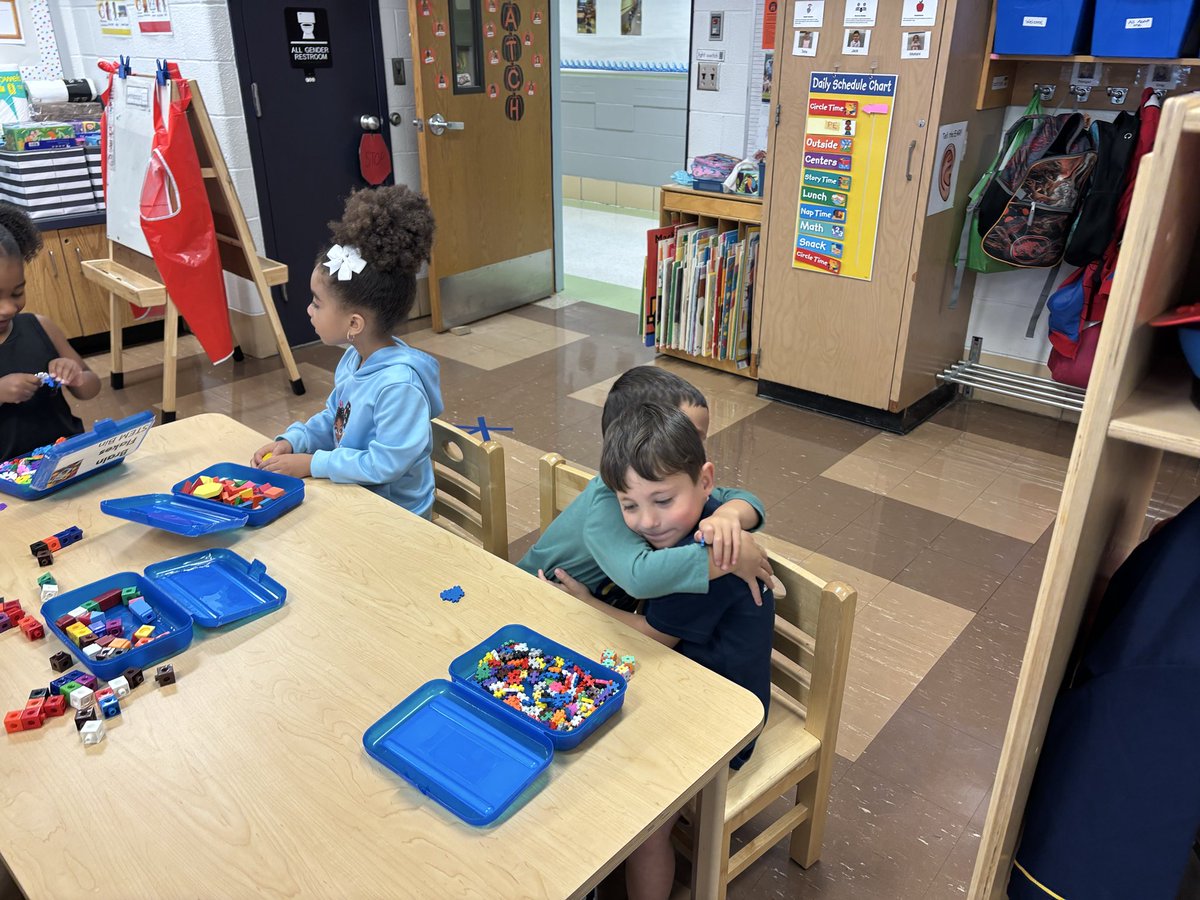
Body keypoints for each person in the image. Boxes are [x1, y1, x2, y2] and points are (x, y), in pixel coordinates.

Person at [550, 402, 775, 900]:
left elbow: (652, 636)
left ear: (705, 481)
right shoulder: (697, 530)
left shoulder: (705, 561)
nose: (648, 521)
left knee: (646, 822)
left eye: (662, 500)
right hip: (685, 682)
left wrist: (587, 603)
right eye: (630, 505)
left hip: (724, 721)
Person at [252, 186, 444, 516]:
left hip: (398, 519)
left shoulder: (398, 387)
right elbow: (335, 419)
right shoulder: (353, 360)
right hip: (358, 498)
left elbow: (385, 464)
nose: (309, 310)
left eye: (317, 303)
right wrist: (295, 441)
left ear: (354, 323)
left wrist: (314, 463)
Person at [518, 365, 773, 608]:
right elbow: (640, 576)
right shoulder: (607, 503)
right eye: (684, 433)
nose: (696, 450)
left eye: (698, 439)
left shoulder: (660, 486)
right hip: (532, 600)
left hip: (590, 615)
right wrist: (728, 559)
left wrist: (729, 515)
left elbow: (737, 497)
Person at [0, 202, 100, 461]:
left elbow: (91, 387)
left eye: (17, 292)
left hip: (66, 459)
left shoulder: (40, 326)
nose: (9, 308)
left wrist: (76, 376)